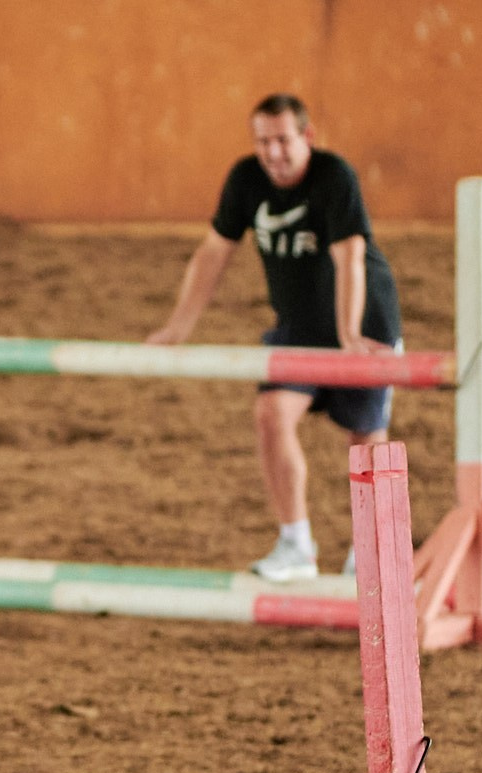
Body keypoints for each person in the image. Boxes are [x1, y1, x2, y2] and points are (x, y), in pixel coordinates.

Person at [147, 93, 404, 581]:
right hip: (298, 327)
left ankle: (367, 553)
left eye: (283, 141)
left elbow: (350, 256)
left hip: (365, 323)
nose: (273, 154)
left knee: (367, 437)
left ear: (306, 136)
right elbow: (213, 253)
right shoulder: (246, 180)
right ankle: (295, 545)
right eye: (263, 142)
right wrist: (178, 327)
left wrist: (350, 334)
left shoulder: (335, 177)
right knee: (270, 413)